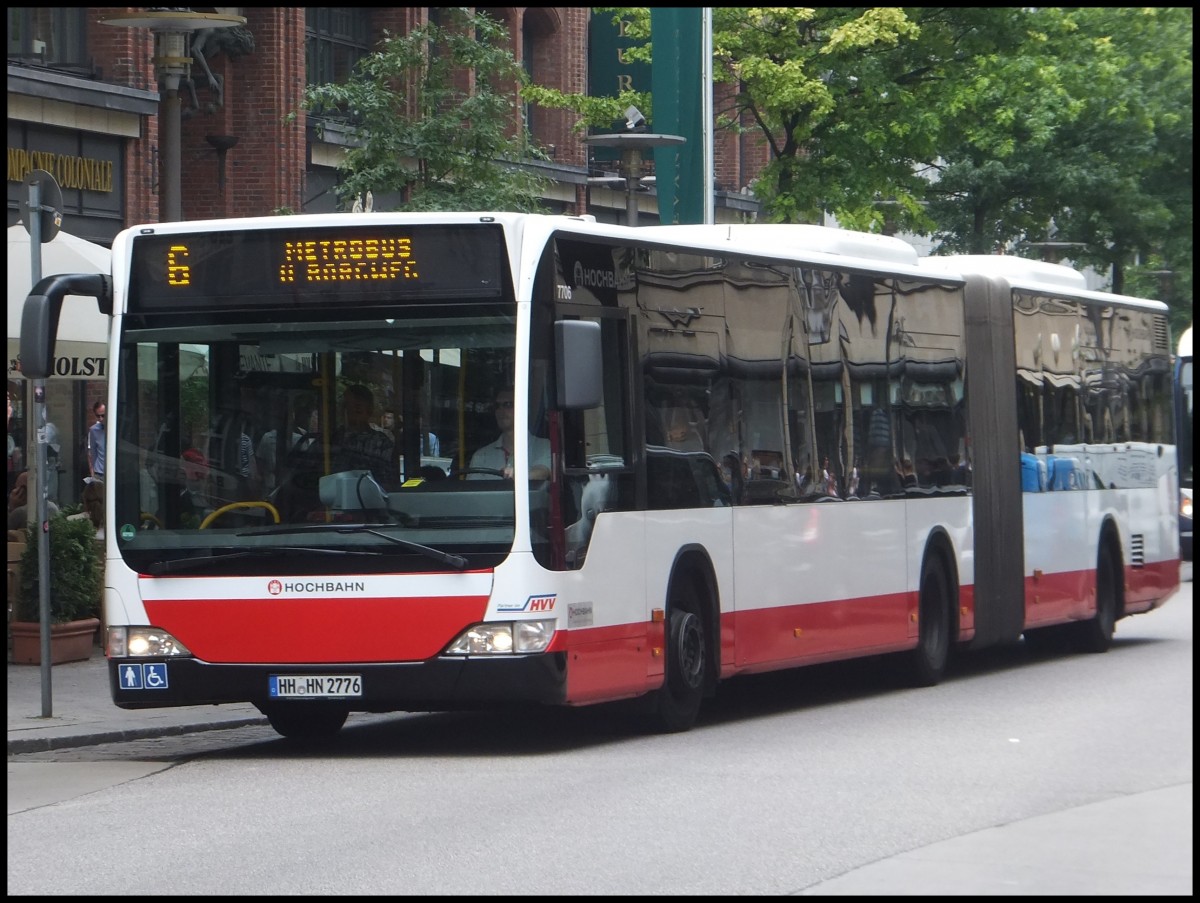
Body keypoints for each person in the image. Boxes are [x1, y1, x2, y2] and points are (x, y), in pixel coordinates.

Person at [468, 386, 551, 480]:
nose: (500, 410)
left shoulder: (544, 446)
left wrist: (520, 475)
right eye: (497, 406)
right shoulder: (481, 456)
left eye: (508, 404)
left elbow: (543, 471)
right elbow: (473, 493)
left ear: (523, 408)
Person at [332, 384, 398, 486]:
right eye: (347, 407)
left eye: (358, 409)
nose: (351, 412)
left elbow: (388, 484)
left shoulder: (381, 444)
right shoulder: (327, 440)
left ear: (369, 411)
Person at [87, 400, 106, 482]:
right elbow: (91, 453)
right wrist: (93, 475)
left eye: (103, 415)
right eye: (98, 416)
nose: (101, 419)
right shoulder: (94, 430)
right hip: (99, 473)